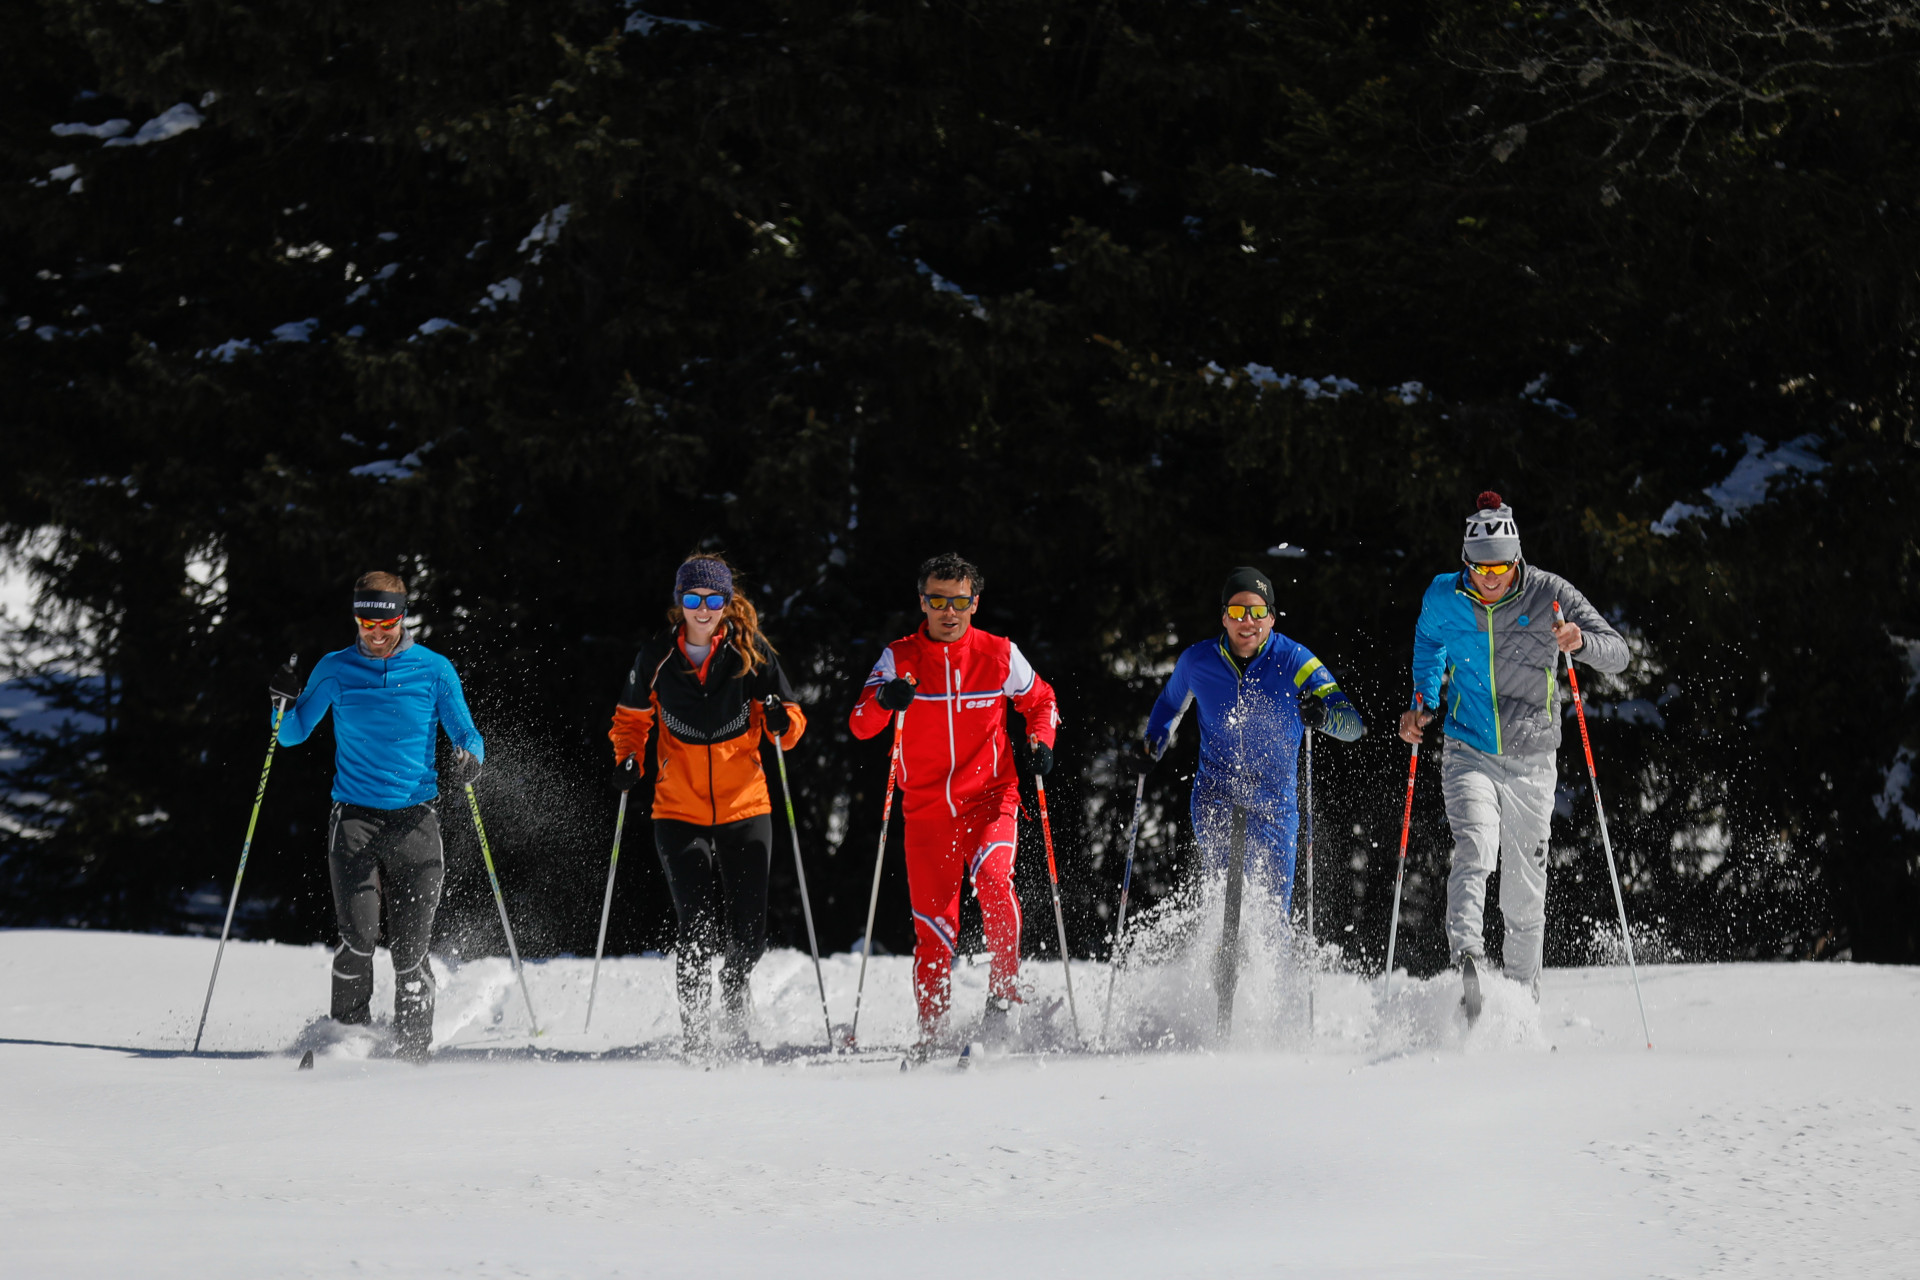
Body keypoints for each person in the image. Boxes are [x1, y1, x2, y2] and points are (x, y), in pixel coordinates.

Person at [1398, 492, 1629, 1018]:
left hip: (1532, 758)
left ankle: (1523, 998)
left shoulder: (1549, 593)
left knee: (1525, 890)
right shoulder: (1443, 595)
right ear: (1466, 562)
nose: (1490, 577)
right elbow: (1428, 642)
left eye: (1501, 565)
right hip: (1467, 747)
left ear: (1516, 558)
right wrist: (1424, 700)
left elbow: (1619, 652)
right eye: (1480, 567)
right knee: (1475, 846)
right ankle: (1468, 960)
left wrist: (1580, 642)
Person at [848, 552, 1059, 1053]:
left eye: (959, 601)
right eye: (938, 601)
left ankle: (1004, 999)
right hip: (926, 811)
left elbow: (1041, 701)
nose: (948, 612)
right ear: (922, 601)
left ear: (975, 602)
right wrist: (885, 701)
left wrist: (1042, 742)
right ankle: (933, 1035)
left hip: (991, 797)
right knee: (933, 930)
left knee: (992, 878)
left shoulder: (999, 654)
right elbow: (860, 724)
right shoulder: (899, 659)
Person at [269, 571, 483, 1063]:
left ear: (402, 617)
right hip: (355, 820)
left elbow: (467, 734)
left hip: (416, 822)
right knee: (358, 940)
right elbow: (293, 734)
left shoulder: (434, 670)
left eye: (387, 622)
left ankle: (412, 1055)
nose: (377, 632)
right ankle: (346, 1042)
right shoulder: (335, 668)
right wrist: (280, 705)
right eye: (367, 621)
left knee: (411, 955)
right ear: (356, 618)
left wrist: (470, 756)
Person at [608, 553, 806, 1056]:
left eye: (713, 599)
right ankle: (695, 1032)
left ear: (725, 603)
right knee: (695, 927)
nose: (703, 608)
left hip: (745, 807)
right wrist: (628, 758)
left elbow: (792, 721)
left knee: (750, 936)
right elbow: (631, 719)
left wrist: (784, 722)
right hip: (678, 810)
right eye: (693, 599)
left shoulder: (749, 653)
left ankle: (736, 990)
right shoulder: (655, 657)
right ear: (680, 602)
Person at [1139, 567, 1364, 908]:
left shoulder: (1295, 660)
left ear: (1272, 618)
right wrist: (1151, 745)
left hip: (1274, 804)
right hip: (1215, 795)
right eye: (1237, 611)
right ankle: (1219, 958)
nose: (1248, 621)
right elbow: (1171, 703)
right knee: (1226, 901)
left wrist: (1323, 716)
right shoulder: (1197, 661)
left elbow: (1353, 724)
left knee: (1272, 911)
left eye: (1258, 612)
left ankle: (1267, 963)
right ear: (1224, 618)